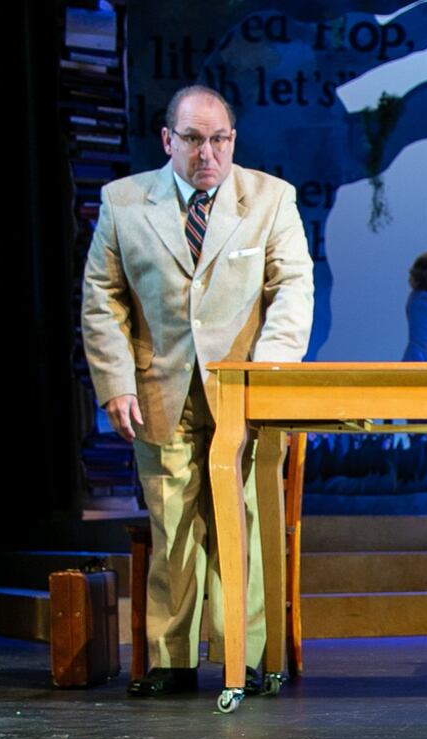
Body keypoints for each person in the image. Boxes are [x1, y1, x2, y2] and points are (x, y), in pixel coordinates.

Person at [81, 85, 314, 699]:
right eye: (193, 139)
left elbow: (292, 286)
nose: (207, 152)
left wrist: (269, 373)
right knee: (173, 521)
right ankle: (171, 658)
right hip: (162, 390)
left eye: (219, 139)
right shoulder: (124, 203)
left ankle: (256, 656)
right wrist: (114, 383)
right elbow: (102, 299)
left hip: (248, 394)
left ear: (232, 140)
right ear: (168, 140)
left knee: (250, 519)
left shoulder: (270, 198)